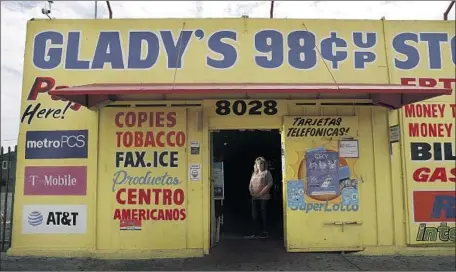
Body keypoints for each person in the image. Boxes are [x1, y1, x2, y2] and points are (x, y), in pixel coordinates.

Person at [247, 157, 273, 238]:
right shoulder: (254, 173)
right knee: (254, 215)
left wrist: (260, 194)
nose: (260, 165)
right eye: (258, 163)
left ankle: (264, 232)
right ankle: (255, 232)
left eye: (261, 163)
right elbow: (250, 184)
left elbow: (270, 183)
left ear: (264, 164)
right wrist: (252, 193)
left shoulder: (266, 173)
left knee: (263, 215)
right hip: (254, 198)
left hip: (264, 198)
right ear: (256, 165)